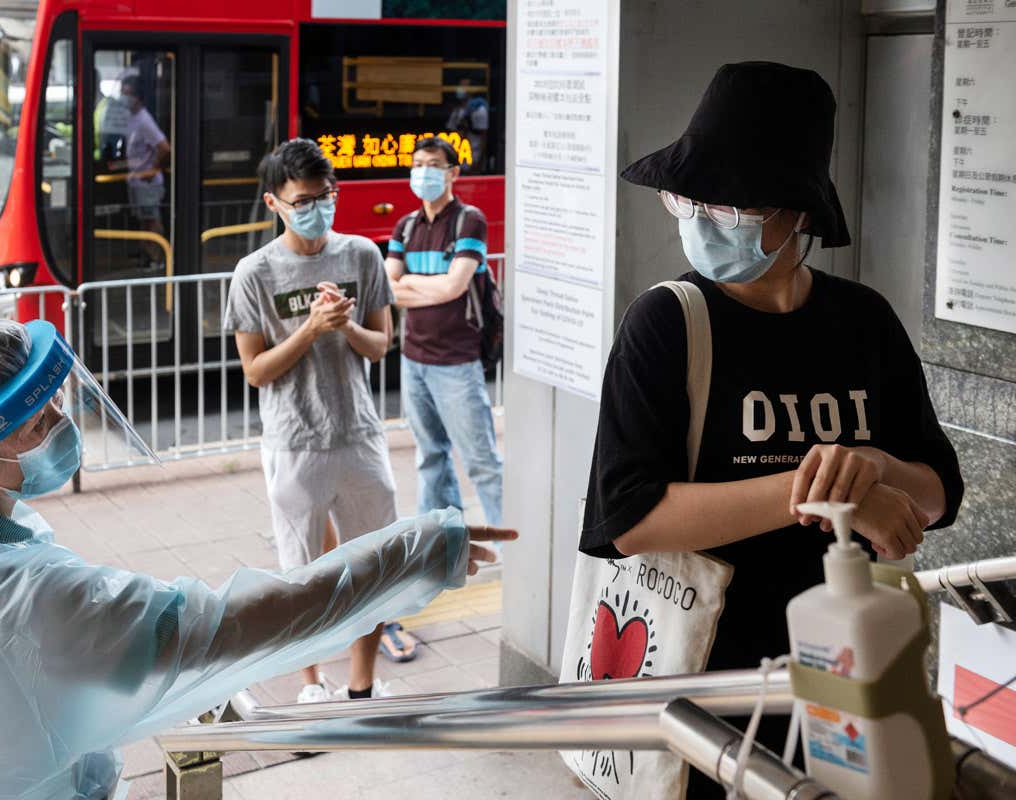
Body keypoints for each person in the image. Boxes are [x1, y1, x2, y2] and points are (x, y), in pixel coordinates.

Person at [0, 316, 514, 800]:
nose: (61, 427)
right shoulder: (36, 598)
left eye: (56, 405)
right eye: (34, 424)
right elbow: (241, 621)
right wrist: (408, 554)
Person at [579, 61, 963, 798]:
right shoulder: (666, 324)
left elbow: (939, 493)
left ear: (801, 215)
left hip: (846, 681)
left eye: (732, 206)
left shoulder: (864, 321)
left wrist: (874, 466)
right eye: (688, 198)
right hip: (704, 687)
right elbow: (628, 520)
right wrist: (824, 494)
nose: (701, 218)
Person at [226, 138, 402, 703]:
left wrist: (345, 326)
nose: (316, 209)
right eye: (302, 201)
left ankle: (362, 686)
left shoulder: (362, 255)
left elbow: (380, 345)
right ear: (273, 203)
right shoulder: (254, 273)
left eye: (325, 196)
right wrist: (310, 328)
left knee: (374, 565)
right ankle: (311, 685)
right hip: (294, 441)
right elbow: (255, 370)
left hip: (359, 434)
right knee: (302, 574)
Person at [386, 136, 504, 531]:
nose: (423, 173)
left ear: (453, 173)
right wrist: (431, 287)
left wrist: (410, 283)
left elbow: (455, 286)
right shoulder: (405, 226)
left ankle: (511, 548)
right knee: (430, 458)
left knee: (482, 463)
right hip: (413, 360)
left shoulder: (469, 220)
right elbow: (389, 288)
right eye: (417, 165)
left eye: (433, 165)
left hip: (457, 361)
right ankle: (442, 545)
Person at [120, 74, 171, 271]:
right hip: (136, 181)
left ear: (138, 97)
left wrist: (152, 169)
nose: (124, 98)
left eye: (128, 94)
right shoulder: (131, 118)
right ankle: (147, 256)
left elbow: (164, 148)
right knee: (144, 220)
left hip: (147, 183)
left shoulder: (144, 120)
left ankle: (157, 259)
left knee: (152, 222)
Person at [445, 78, 487, 172]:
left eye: (464, 86)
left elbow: (484, 137)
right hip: (458, 159)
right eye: (460, 86)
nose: (460, 89)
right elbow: (451, 133)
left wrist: (479, 161)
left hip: (473, 157)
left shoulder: (479, 110)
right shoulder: (456, 110)